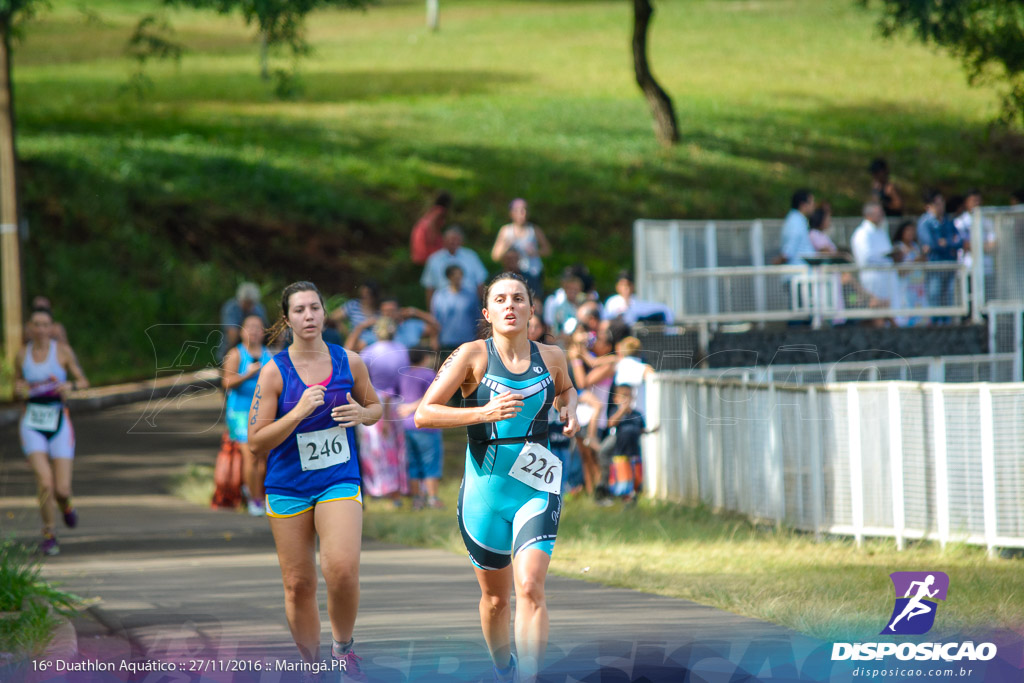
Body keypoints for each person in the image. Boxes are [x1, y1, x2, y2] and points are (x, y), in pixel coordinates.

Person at [414, 272, 579, 682]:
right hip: (484, 495)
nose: (511, 306)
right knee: (495, 600)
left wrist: (570, 407)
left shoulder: (553, 356)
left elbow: (566, 390)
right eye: (501, 300)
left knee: (530, 587)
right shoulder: (471, 355)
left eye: (519, 298)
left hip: (537, 487)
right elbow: (423, 413)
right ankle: (504, 669)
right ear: (487, 313)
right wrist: (482, 413)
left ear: (531, 308)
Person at [248, 281, 382, 677]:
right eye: (299, 310)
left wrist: (362, 415)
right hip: (288, 484)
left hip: (338, 478)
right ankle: (313, 668)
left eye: (314, 308)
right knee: (298, 584)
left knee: (341, 568)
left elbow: (375, 406)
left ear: (324, 313)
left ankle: (343, 649)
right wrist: (297, 413)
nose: (308, 316)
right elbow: (256, 442)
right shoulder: (274, 372)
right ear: (286, 319)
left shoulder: (349, 362)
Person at [17, 307, 90, 556]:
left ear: (51, 327)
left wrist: (70, 385)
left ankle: (66, 505)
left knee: (62, 489)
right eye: (36, 324)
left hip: (59, 421)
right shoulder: (21, 355)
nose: (40, 329)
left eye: (45, 324)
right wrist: (20, 388)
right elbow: (16, 386)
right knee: (45, 482)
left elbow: (83, 381)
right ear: (29, 328)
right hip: (32, 423)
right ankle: (49, 533)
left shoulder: (62, 352)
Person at [221, 314, 273, 516]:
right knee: (250, 456)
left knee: (264, 457)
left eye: (258, 327)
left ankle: (259, 491)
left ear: (264, 332)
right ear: (242, 331)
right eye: (249, 327)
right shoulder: (236, 354)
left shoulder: (269, 355)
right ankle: (255, 499)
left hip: (264, 412)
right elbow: (226, 382)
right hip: (240, 413)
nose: (253, 331)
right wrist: (247, 375)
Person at [357, 318, 409, 504]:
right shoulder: (402, 350)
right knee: (394, 446)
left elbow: (363, 379)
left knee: (374, 447)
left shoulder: (368, 352)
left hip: (373, 400)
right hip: (396, 401)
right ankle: (396, 486)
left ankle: (377, 487)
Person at [397, 348, 445, 510]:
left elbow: (393, 394)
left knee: (413, 463)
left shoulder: (403, 374)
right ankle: (433, 498)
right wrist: (412, 407)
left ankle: (417, 499)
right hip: (427, 424)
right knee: (430, 462)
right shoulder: (428, 375)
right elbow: (434, 396)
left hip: (406, 425)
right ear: (425, 358)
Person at [917, 189, 964, 324]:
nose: (941, 206)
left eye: (942, 202)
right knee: (935, 296)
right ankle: (936, 326)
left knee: (949, 298)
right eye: (937, 204)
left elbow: (960, 241)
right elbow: (930, 243)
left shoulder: (948, 221)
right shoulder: (925, 222)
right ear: (928, 206)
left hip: (950, 265)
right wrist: (949, 243)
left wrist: (946, 243)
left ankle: (947, 324)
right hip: (935, 266)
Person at [851, 201, 899, 325]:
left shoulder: (881, 231)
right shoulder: (862, 234)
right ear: (869, 215)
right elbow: (866, 257)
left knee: (887, 310)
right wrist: (886, 258)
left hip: (885, 279)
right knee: (875, 311)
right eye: (879, 213)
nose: (882, 216)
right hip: (873, 280)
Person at [491, 199, 552, 298]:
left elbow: (547, 250)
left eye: (525, 210)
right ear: (511, 213)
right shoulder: (505, 230)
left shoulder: (534, 230)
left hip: (533, 273)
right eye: (519, 211)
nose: (523, 214)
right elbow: (495, 256)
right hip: (513, 273)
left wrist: (535, 252)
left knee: (533, 297)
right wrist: (506, 246)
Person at [422, 226, 489, 307]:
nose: (452, 241)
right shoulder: (434, 259)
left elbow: (480, 283)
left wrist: (482, 305)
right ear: (443, 240)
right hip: (443, 305)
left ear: (461, 240)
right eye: (449, 239)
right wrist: (431, 311)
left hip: (469, 303)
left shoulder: (471, 256)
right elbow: (429, 288)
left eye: (455, 239)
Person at [432, 265, 481, 351]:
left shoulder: (471, 295)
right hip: (447, 341)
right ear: (449, 277)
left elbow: (478, 317)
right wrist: (434, 338)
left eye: (460, 274)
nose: (457, 277)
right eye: (454, 275)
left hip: (468, 341)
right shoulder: (440, 296)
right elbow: (436, 319)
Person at [602, 270, 674, 325]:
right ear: (617, 287)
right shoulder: (612, 302)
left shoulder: (637, 301)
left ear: (632, 286)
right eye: (622, 285)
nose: (625, 288)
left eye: (628, 285)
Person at [892, 219, 928, 326]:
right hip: (905, 288)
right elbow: (899, 271)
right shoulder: (898, 248)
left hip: (918, 287)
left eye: (912, 230)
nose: (910, 233)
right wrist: (914, 262)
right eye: (907, 230)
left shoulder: (916, 247)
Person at [219, 282, 268, 360]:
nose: (249, 306)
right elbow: (232, 332)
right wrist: (231, 352)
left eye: (251, 303)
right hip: (231, 345)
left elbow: (264, 329)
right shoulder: (231, 308)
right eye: (246, 302)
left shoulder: (258, 308)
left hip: (255, 347)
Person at [411, 191, 452, 265]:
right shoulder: (440, 211)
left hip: (421, 231)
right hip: (427, 233)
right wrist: (431, 240)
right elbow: (431, 225)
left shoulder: (433, 209)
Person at [779, 189, 816, 266]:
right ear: (803, 205)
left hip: (802, 272)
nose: (814, 206)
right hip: (798, 273)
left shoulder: (800, 220)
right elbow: (788, 251)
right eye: (812, 203)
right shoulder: (795, 222)